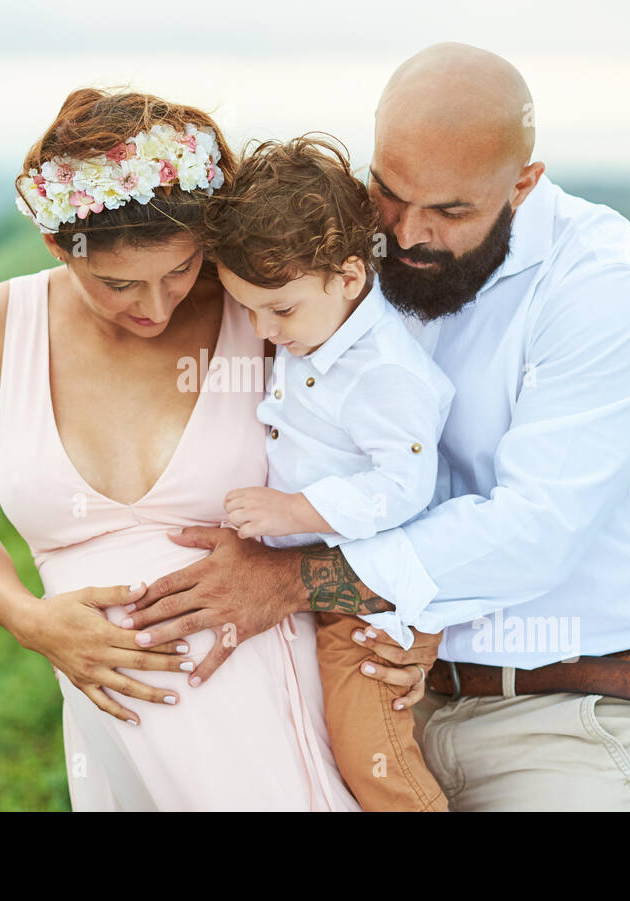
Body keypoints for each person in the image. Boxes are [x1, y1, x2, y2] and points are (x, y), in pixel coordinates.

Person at [124, 43, 630, 811]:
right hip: (388, 690)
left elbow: (534, 530)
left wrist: (292, 580)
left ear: (522, 184)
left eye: (450, 210)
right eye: (389, 194)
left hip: (568, 716)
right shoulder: (352, 257)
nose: (407, 233)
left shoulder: (602, 285)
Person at [0, 87, 364, 810]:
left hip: (271, 719)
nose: (156, 307)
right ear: (56, 244)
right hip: (114, 746)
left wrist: (298, 578)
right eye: (117, 284)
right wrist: (31, 621)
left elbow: (402, 508)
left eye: (179, 270)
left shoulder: (258, 318)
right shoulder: (1, 323)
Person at [209, 134, 454, 811]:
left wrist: (293, 512)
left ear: (349, 276)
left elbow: (405, 484)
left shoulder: (380, 369)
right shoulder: (317, 326)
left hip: (364, 592)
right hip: (318, 583)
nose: (264, 329)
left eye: (279, 308)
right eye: (247, 308)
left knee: (367, 751)